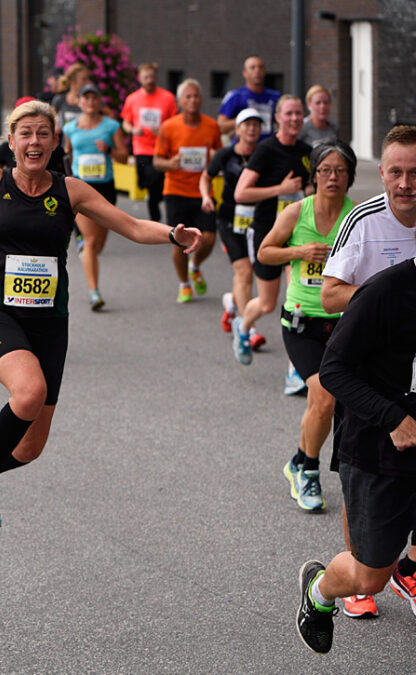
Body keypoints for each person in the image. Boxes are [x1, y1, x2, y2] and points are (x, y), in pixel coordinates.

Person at [0, 14, 201, 528]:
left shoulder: (69, 190)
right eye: (25, 133)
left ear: (55, 141)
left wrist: (172, 235)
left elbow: (130, 226)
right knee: (26, 393)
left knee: (30, 448)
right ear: (11, 139)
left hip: (50, 320)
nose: (34, 142)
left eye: (43, 134)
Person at [296, 256, 416, 654]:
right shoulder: (385, 292)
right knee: (368, 579)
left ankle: (411, 569)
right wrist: (393, 418)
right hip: (380, 450)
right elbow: (332, 370)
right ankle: (319, 589)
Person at [319, 125, 416, 619]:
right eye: (396, 172)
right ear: (381, 174)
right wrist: (383, 307)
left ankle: (411, 568)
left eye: (415, 173)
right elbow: (329, 292)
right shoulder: (365, 219)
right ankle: (359, 575)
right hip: (366, 374)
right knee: (362, 481)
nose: (406, 183)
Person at [256, 142, 356, 514]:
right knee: (326, 397)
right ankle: (309, 471)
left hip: (343, 323)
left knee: (322, 400)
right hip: (300, 323)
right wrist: (299, 252)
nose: (332, 177)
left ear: (349, 177)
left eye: (340, 171)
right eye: (325, 170)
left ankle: (299, 460)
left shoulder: (355, 216)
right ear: (314, 175)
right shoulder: (296, 213)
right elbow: (265, 252)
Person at [232, 95, 312, 364]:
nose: (294, 119)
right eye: (288, 113)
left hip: (297, 237)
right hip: (267, 234)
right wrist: (281, 189)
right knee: (267, 304)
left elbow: (311, 190)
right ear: (277, 117)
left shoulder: (306, 151)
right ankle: (242, 327)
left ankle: (296, 369)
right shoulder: (266, 149)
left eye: (298, 113)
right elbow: (240, 193)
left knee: (297, 300)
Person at [153, 78, 222, 303]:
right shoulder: (169, 126)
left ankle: (195, 265)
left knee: (210, 238)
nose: (193, 100)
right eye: (188, 96)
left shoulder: (211, 126)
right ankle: (184, 284)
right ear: (180, 101)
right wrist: (170, 164)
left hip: (203, 191)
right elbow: (156, 161)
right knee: (179, 240)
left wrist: (213, 160)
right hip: (176, 191)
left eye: (196, 96)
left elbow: (218, 155)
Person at [64, 83, 128, 310]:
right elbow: (67, 154)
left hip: (106, 188)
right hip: (82, 189)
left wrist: (109, 150)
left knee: (99, 242)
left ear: (100, 102)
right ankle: (95, 292)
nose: (90, 102)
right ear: (79, 102)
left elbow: (124, 156)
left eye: (94, 98)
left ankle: (84, 245)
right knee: (91, 241)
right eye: (86, 98)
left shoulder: (111, 126)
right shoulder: (70, 128)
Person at [202, 108, 264, 332]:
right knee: (244, 272)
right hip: (229, 220)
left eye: (256, 125)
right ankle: (250, 328)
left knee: (247, 273)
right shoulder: (225, 155)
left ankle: (231, 303)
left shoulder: (264, 154)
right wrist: (205, 195)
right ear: (237, 129)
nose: (252, 129)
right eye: (247, 125)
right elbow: (206, 177)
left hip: (257, 222)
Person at [121, 63, 178, 223]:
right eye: (146, 77)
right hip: (141, 147)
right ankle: (153, 205)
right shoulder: (132, 99)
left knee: (157, 181)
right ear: (140, 78)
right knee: (148, 181)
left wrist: (163, 129)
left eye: (152, 76)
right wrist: (133, 130)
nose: (150, 80)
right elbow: (125, 123)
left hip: (161, 147)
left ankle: (155, 215)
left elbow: (174, 122)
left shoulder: (167, 97)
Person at [217, 56, 280, 138]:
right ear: (244, 73)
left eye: (260, 67)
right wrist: (245, 118)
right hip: (243, 147)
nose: (257, 70)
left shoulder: (274, 96)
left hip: (267, 146)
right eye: (252, 67)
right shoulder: (236, 96)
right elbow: (220, 126)